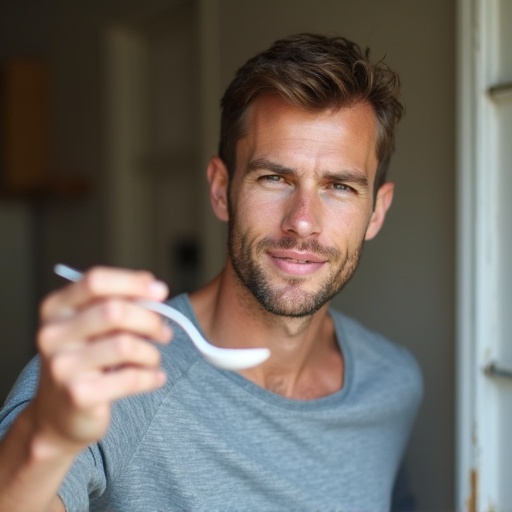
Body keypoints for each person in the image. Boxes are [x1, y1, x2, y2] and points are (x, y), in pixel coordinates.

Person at [0, 33, 423, 511]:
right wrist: (46, 438)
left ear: (377, 211)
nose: (302, 220)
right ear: (222, 190)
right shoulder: (110, 376)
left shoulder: (392, 383)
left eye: (340, 186)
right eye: (274, 178)